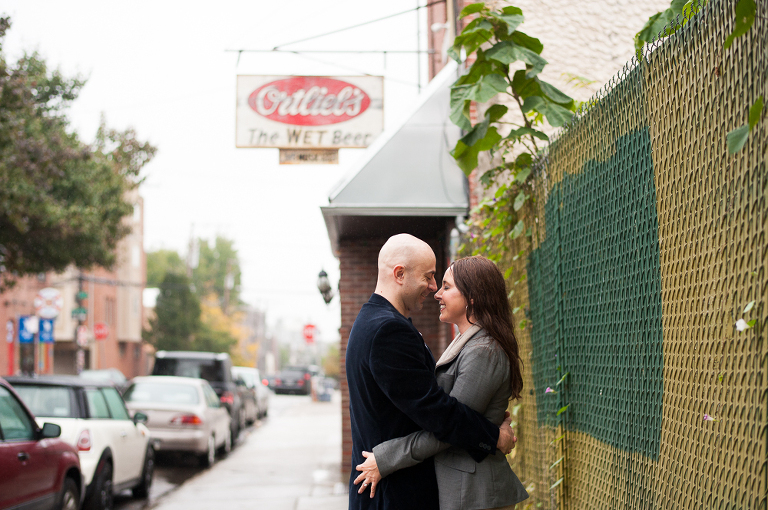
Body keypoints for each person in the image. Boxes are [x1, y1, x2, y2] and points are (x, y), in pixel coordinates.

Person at [346, 235, 517, 510]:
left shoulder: (374, 323)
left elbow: (441, 410)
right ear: (400, 274)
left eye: (443, 283)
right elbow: (438, 413)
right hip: (394, 493)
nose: (434, 288)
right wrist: (493, 435)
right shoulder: (388, 331)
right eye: (429, 277)